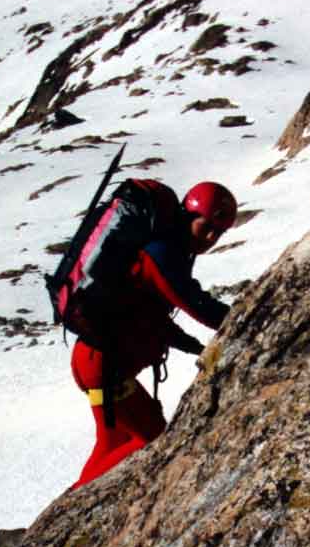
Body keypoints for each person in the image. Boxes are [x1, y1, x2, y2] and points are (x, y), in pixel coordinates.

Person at [70, 180, 237, 489]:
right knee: (156, 439)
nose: (211, 238)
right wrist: (242, 320)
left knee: (112, 445)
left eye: (219, 232)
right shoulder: (162, 254)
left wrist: (191, 345)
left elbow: (148, 315)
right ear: (190, 216)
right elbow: (194, 303)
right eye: (208, 227)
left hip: (93, 359)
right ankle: (64, 517)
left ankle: (56, 520)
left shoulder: (162, 250)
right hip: (108, 368)